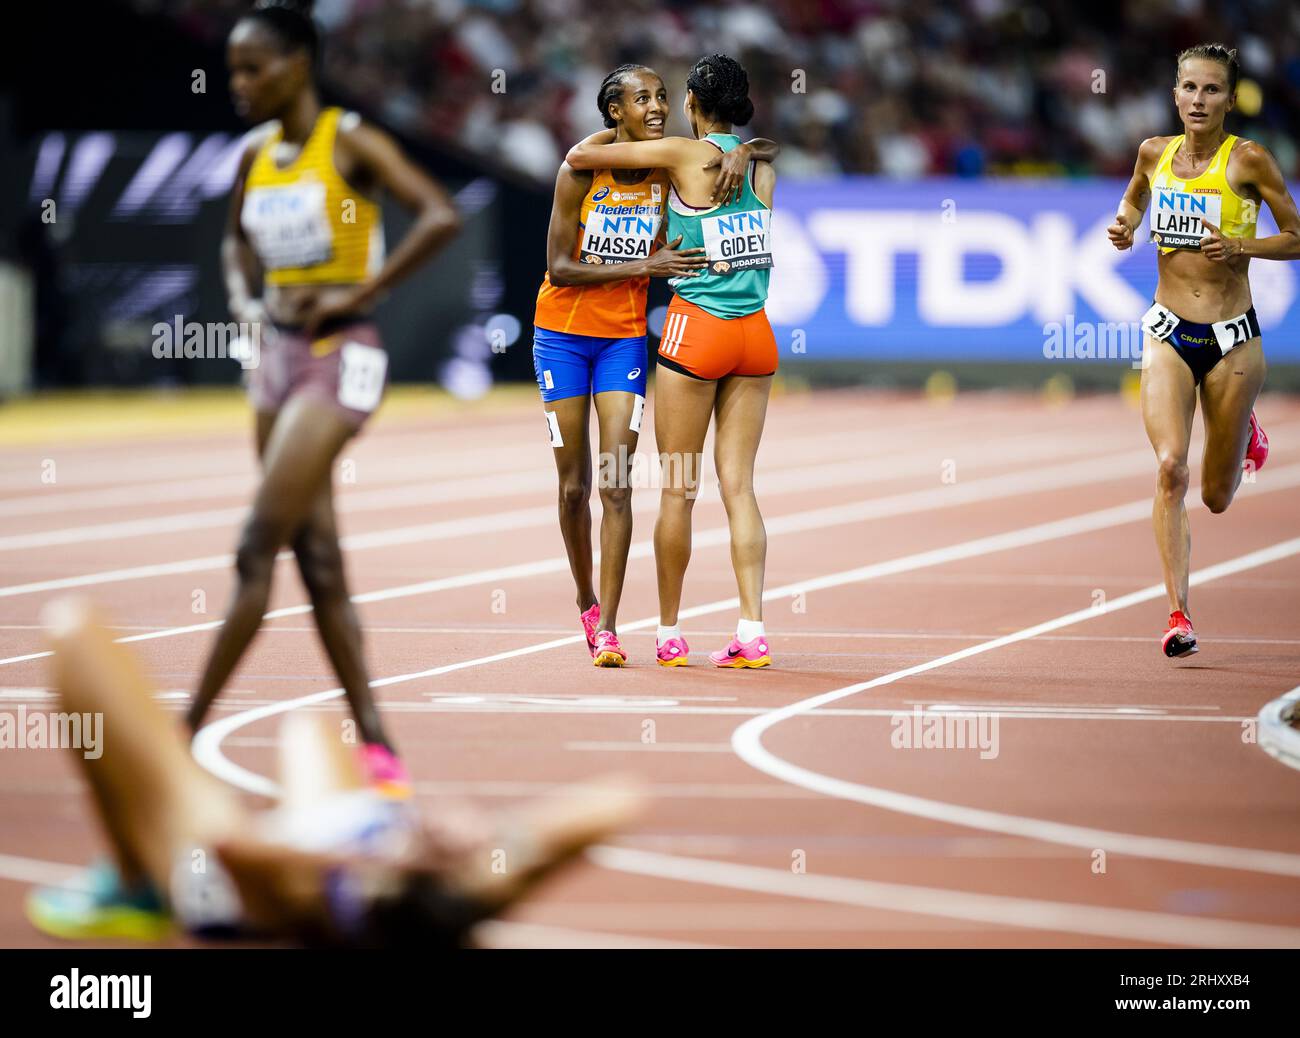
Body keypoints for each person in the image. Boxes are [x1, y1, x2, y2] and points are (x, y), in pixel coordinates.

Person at [184, 0, 461, 785]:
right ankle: (378, 744)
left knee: (253, 546)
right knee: (321, 563)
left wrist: (354, 293)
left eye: (252, 68)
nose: (237, 83)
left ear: (299, 64)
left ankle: (179, 740)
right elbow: (235, 239)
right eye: (232, 68)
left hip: (342, 357)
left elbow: (439, 215)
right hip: (275, 362)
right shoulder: (254, 157)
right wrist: (244, 299)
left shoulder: (350, 140)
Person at [28, 597, 644, 947]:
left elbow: (230, 846)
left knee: (73, 630)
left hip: (221, 872)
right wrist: (488, 834)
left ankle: (137, 882)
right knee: (303, 732)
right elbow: (620, 801)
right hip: (347, 840)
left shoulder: (315, 892)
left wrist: (355, 859)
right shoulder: (464, 889)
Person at [534, 63, 777, 666]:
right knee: (575, 488)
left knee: (625, 485)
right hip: (563, 338)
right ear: (614, 110)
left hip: (632, 341)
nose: (657, 106)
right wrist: (645, 265)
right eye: (642, 98)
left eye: (665, 96)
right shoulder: (586, 172)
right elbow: (561, 265)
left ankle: (628, 630)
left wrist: (745, 149)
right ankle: (591, 602)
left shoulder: (674, 167)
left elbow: (745, 152)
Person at [1107, 43, 1300, 657]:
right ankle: (1178, 615)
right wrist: (1125, 224)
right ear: (1175, 94)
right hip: (1167, 331)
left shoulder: (1249, 162)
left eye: (1212, 90)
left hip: (1232, 341)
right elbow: (1135, 193)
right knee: (1170, 469)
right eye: (1189, 88)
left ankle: (1245, 437)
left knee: (1216, 497)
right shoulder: (1153, 152)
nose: (1198, 100)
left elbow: (1296, 237)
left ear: (1229, 98)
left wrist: (1245, 249)